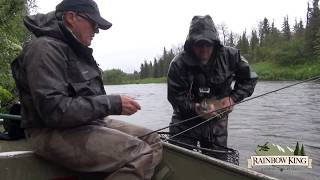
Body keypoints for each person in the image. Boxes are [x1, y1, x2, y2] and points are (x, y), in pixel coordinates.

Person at [11, 0, 162, 179]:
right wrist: (112, 103)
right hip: (48, 132)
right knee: (140, 152)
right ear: (71, 17)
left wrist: (108, 104)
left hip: (85, 125)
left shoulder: (74, 50)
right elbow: (54, 111)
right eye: (94, 24)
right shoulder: (43, 49)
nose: (96, 31)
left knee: (152, 140)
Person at [167, 15, 258, 158]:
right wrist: (197, 108)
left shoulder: (231, 56)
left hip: (217, 120)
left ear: (215, 43)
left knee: (217, 163)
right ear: (191, 44)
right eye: (199, 44)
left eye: (208, 44)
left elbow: (250, 79)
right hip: (185, 119)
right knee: (178, 160)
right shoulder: (178, 64)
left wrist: (233, 99)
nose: (204, 49)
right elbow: (175, 98)